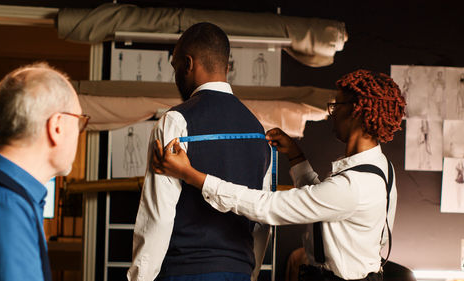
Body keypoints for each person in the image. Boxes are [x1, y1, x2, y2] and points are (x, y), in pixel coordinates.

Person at [153, 69, 406, 281]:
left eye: (336, 105)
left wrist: (190, 175)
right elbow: (325, 203)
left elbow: (268, 207)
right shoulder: (381, 168)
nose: (332, 113)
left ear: (356, 111)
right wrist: (296, 157)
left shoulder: (354, 186)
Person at [127, 22, 272, 281]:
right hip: (239, 271)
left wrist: (140, 278)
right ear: (225, 67)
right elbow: (262, 217)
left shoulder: (175, 122)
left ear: (188, 64)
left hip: (185, 271)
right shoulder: (258, 130)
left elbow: (157, 216)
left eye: (175, 66)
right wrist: (250, 272)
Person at [0, 62, 89, 281]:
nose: (79, 133)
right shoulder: (4, 205)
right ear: (57, 126)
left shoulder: (3, 194)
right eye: (79, 122)